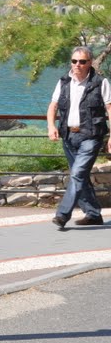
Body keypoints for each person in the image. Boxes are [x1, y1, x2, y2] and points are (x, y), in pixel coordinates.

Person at [47, 46, 111, 229]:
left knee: (76, 174)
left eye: (82, 61)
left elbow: (110, 109)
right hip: (68, 136)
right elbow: (53, 106)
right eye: (74, 61)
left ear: (90, 63)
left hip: (91, 136)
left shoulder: (100, 82)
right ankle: (93, 214)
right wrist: (51, 126)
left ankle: (62, 215)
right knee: (80, 176)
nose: (78, 65)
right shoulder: (64, 82)